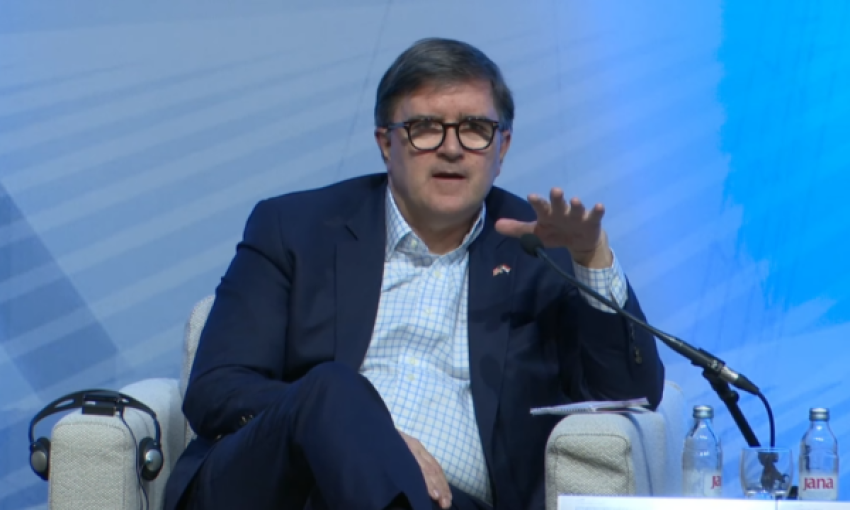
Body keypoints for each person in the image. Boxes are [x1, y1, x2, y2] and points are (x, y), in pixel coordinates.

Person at [164, 37, 664, 510]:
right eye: (426, 127)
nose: (452, 148)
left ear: (503, 147)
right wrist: (365, 435)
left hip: (446, 501)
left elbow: (629, 396)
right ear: (386, 143)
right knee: (333, 389)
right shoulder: (295, 228)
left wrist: (591, 258)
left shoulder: (539, 250)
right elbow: (216, 388)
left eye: (474, 128)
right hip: (282, 490)